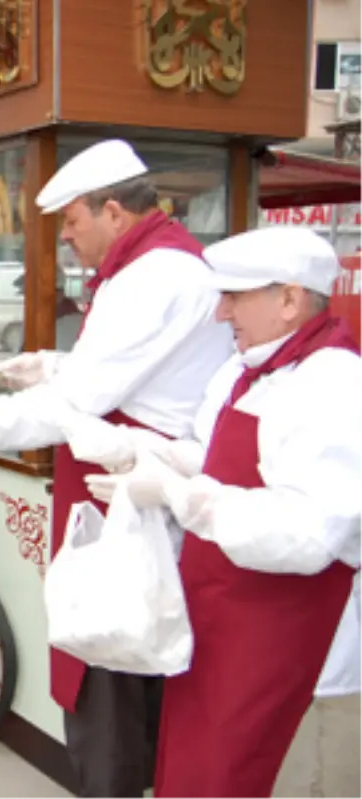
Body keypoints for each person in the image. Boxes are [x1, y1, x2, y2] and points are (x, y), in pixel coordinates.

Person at [0, 139, 234, 799]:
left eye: (72, 221)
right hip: (135, 509)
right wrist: (56, 362)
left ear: (113, 212)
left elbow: (70, 410)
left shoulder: (150, 278)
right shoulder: (167, 266)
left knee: (110, 697)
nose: (66, 237)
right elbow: (131, 380)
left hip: (132, 525)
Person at [79, 227, 362, 798]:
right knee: (192, 768)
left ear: (289, 299)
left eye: (235, 295)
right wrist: (139, 452)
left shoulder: (334, 384)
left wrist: (180, 497)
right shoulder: (246, 370)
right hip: (216, 623)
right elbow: (209, 456)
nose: (219, 312)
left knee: (244, 775)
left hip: (288, 644)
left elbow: (308, 535)